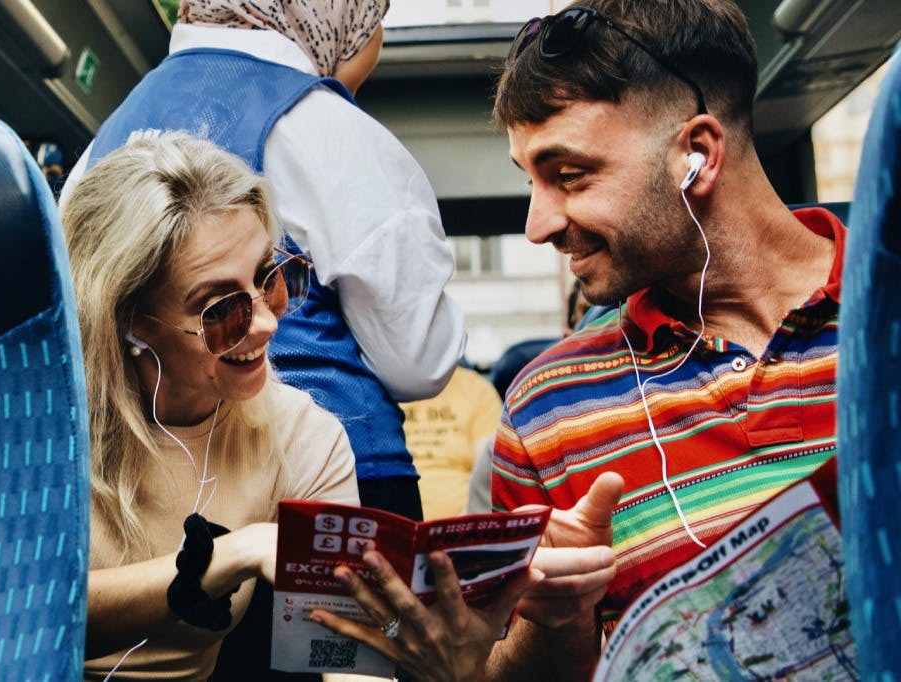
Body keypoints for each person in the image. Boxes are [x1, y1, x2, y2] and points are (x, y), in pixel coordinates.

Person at [488, 0, 845, 678]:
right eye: (530, 180)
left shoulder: (884, 316)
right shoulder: (545, 407)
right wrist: (556, 618)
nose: (537, 226)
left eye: (569, 175)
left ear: (697, 155)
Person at [60, 0, 465, 522]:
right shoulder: (328, 126)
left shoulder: (103, 145)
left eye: (274, 280)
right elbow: (419, 362)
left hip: (144, 478)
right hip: (343, 472)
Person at [62, 131, 359, 679]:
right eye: (221, 309)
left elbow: (344, 652)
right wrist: (232, 555)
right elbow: (16, 612)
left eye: (269, 279)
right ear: (130, 322)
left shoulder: (303, 436)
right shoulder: (46, 430)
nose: (267, 323)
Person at [400, 365, 502, 519]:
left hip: (466, 524)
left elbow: (488, 477)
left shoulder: (477, 389)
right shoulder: (375, 387)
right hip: (390, 524)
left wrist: (465, 522)